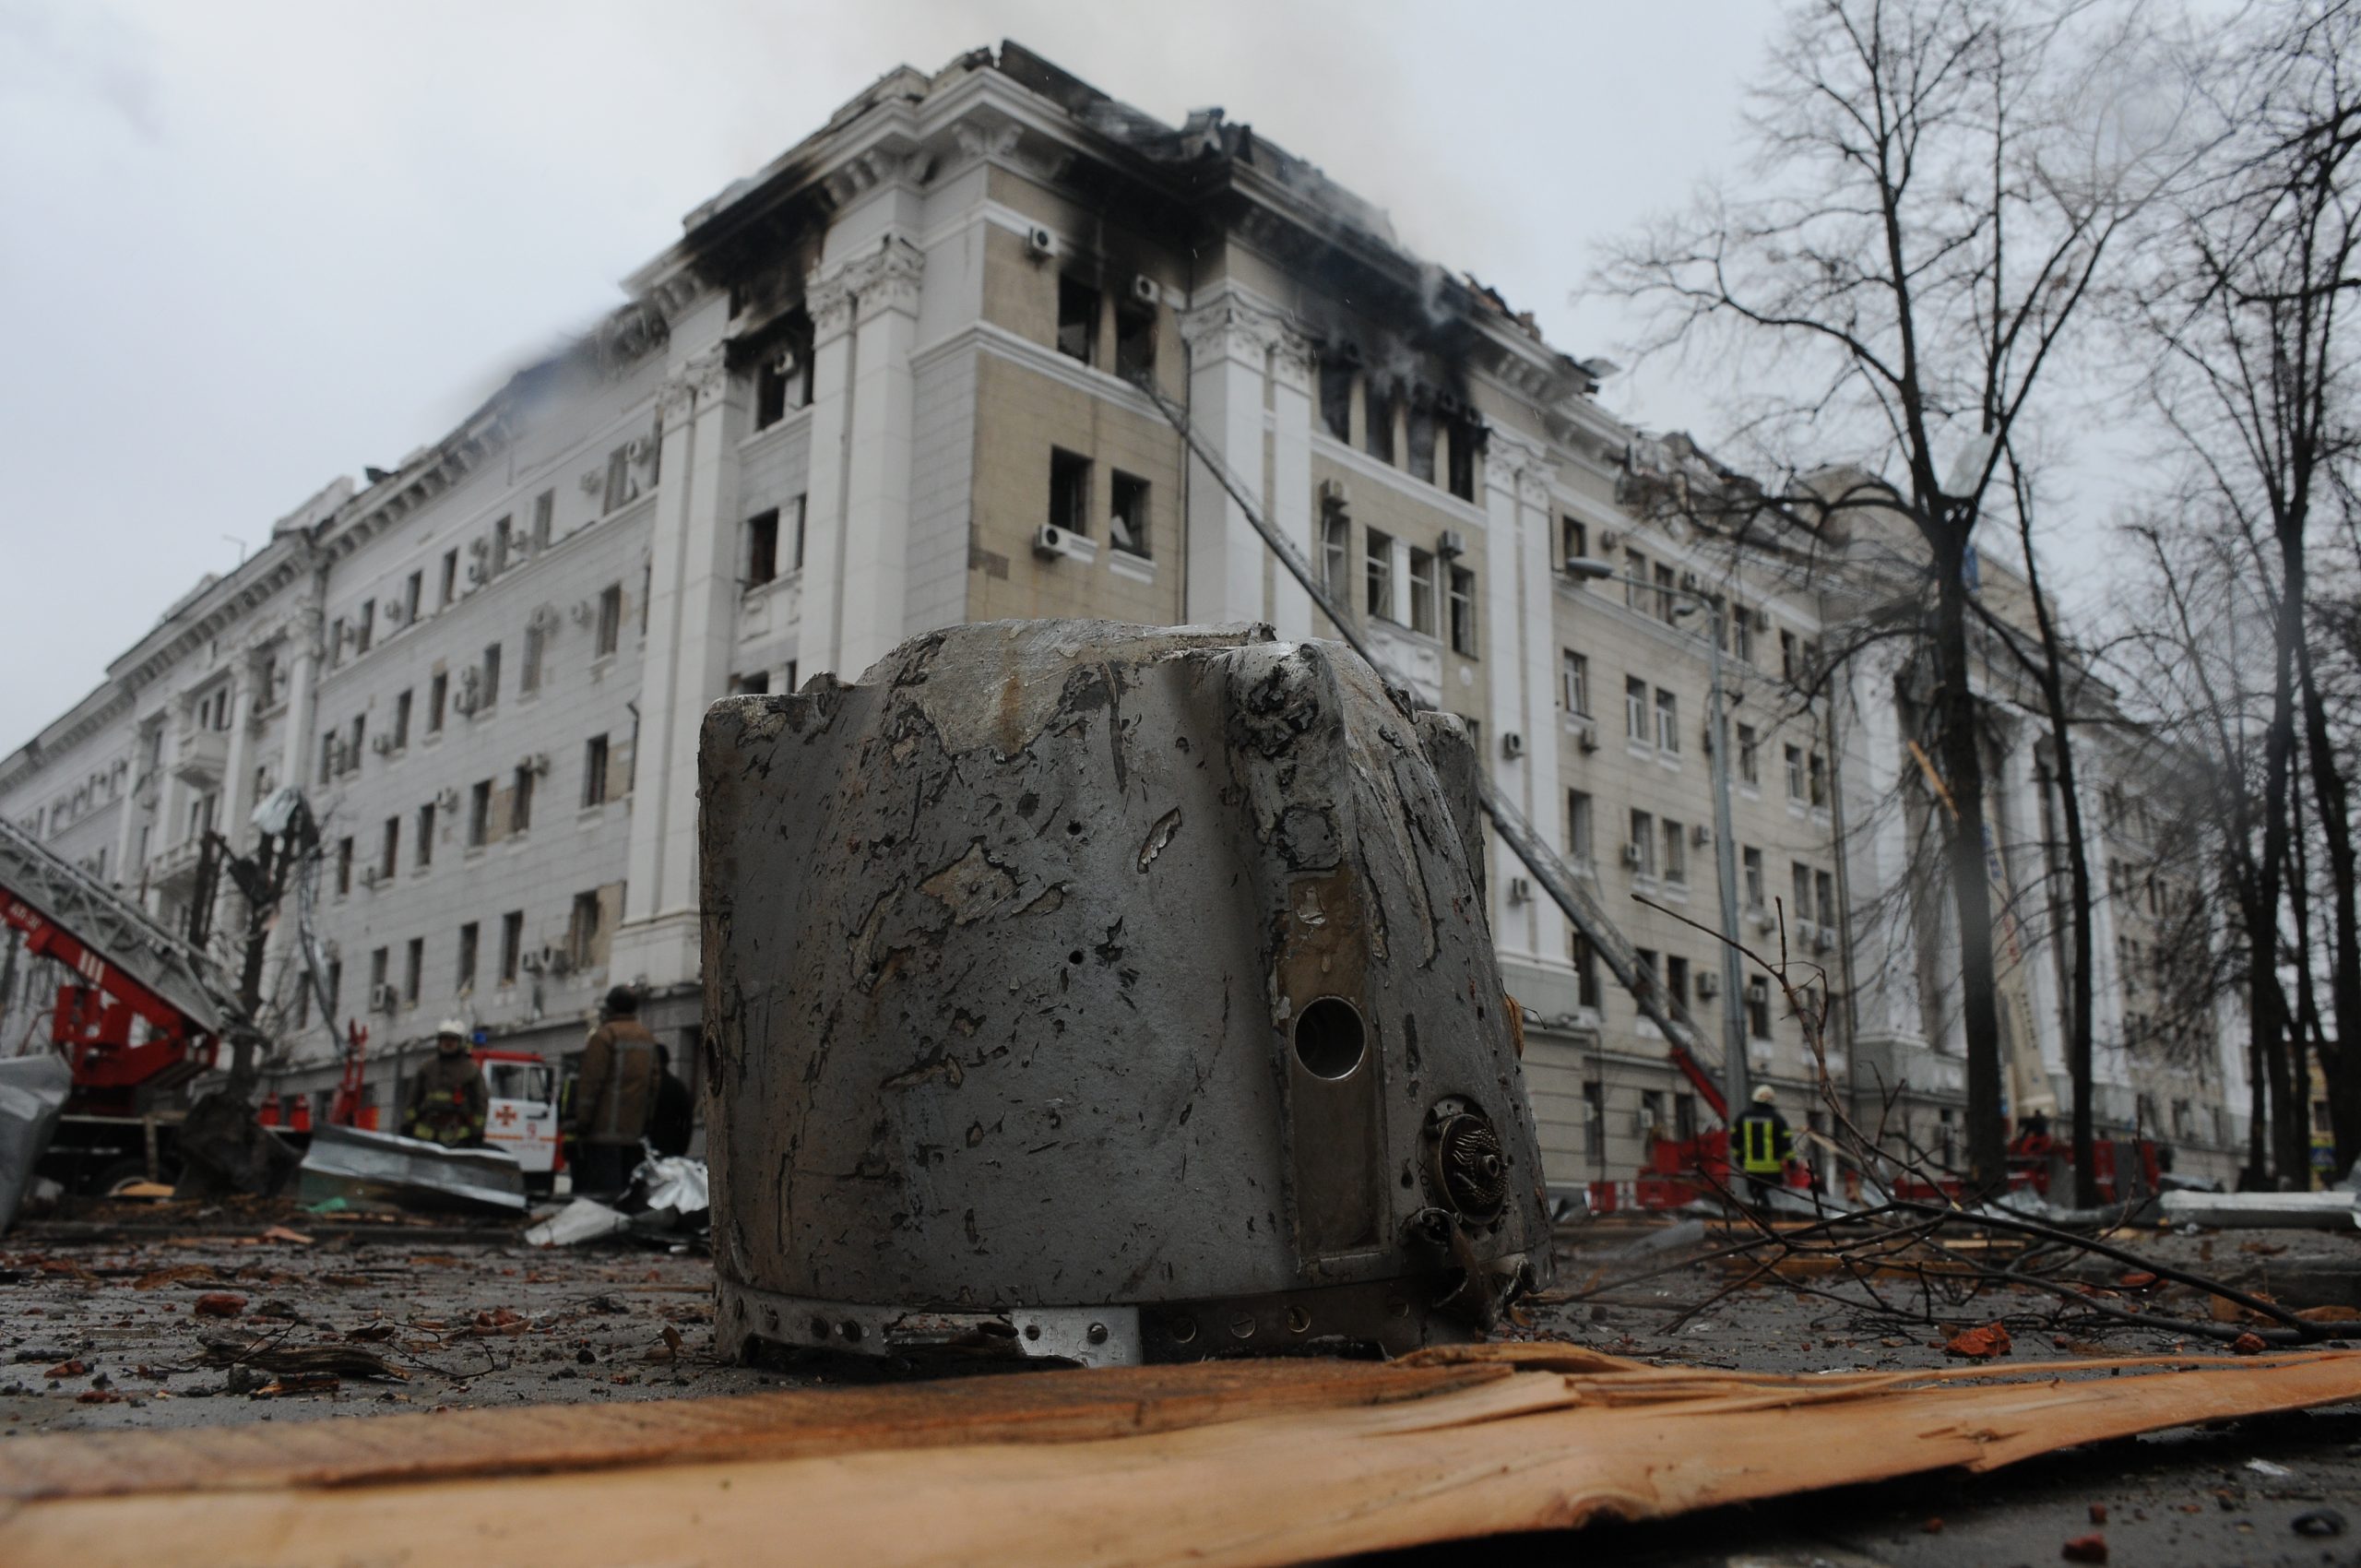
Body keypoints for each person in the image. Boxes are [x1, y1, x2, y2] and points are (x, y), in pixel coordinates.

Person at [569, 986, 658, 1198]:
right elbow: (653, 1086)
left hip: (602, 1134)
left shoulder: (604, 1036)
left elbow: (591, 1083)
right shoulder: (647, 1038)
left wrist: (582, 1122)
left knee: (601, 1198)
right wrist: (646, 1122)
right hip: (633, 1135)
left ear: (610, 1007)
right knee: (626, 1197)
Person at [404, 1021, 488, 1147]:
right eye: (444, 1039)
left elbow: (481, 1103)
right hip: (424, 1135)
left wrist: (477, 1132)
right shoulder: (426, 1067)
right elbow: (413, 1099)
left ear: (461, 1042)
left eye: (452, 1039)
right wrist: (408, 1124)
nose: (448, 1043)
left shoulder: (471, 1070)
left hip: (458, 1136)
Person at [1733, 1083, 1792, 1210]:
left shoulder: (1743, 1117)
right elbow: (1786, 1144)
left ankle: (1759, 1217)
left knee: (1756, 1199)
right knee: (1772, 1201)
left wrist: (1740, 1159)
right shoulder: (1777, 1119)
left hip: (1752, 1169)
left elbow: (1734, 1141)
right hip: (1772, 1171)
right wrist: (1792, 1163)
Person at [647, 1042, 694, 1158]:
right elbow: (687, 1119)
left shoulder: (647, 1086)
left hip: (647, 1147)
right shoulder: (677, 1086)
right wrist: (682, 1147)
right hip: (671, 1147)